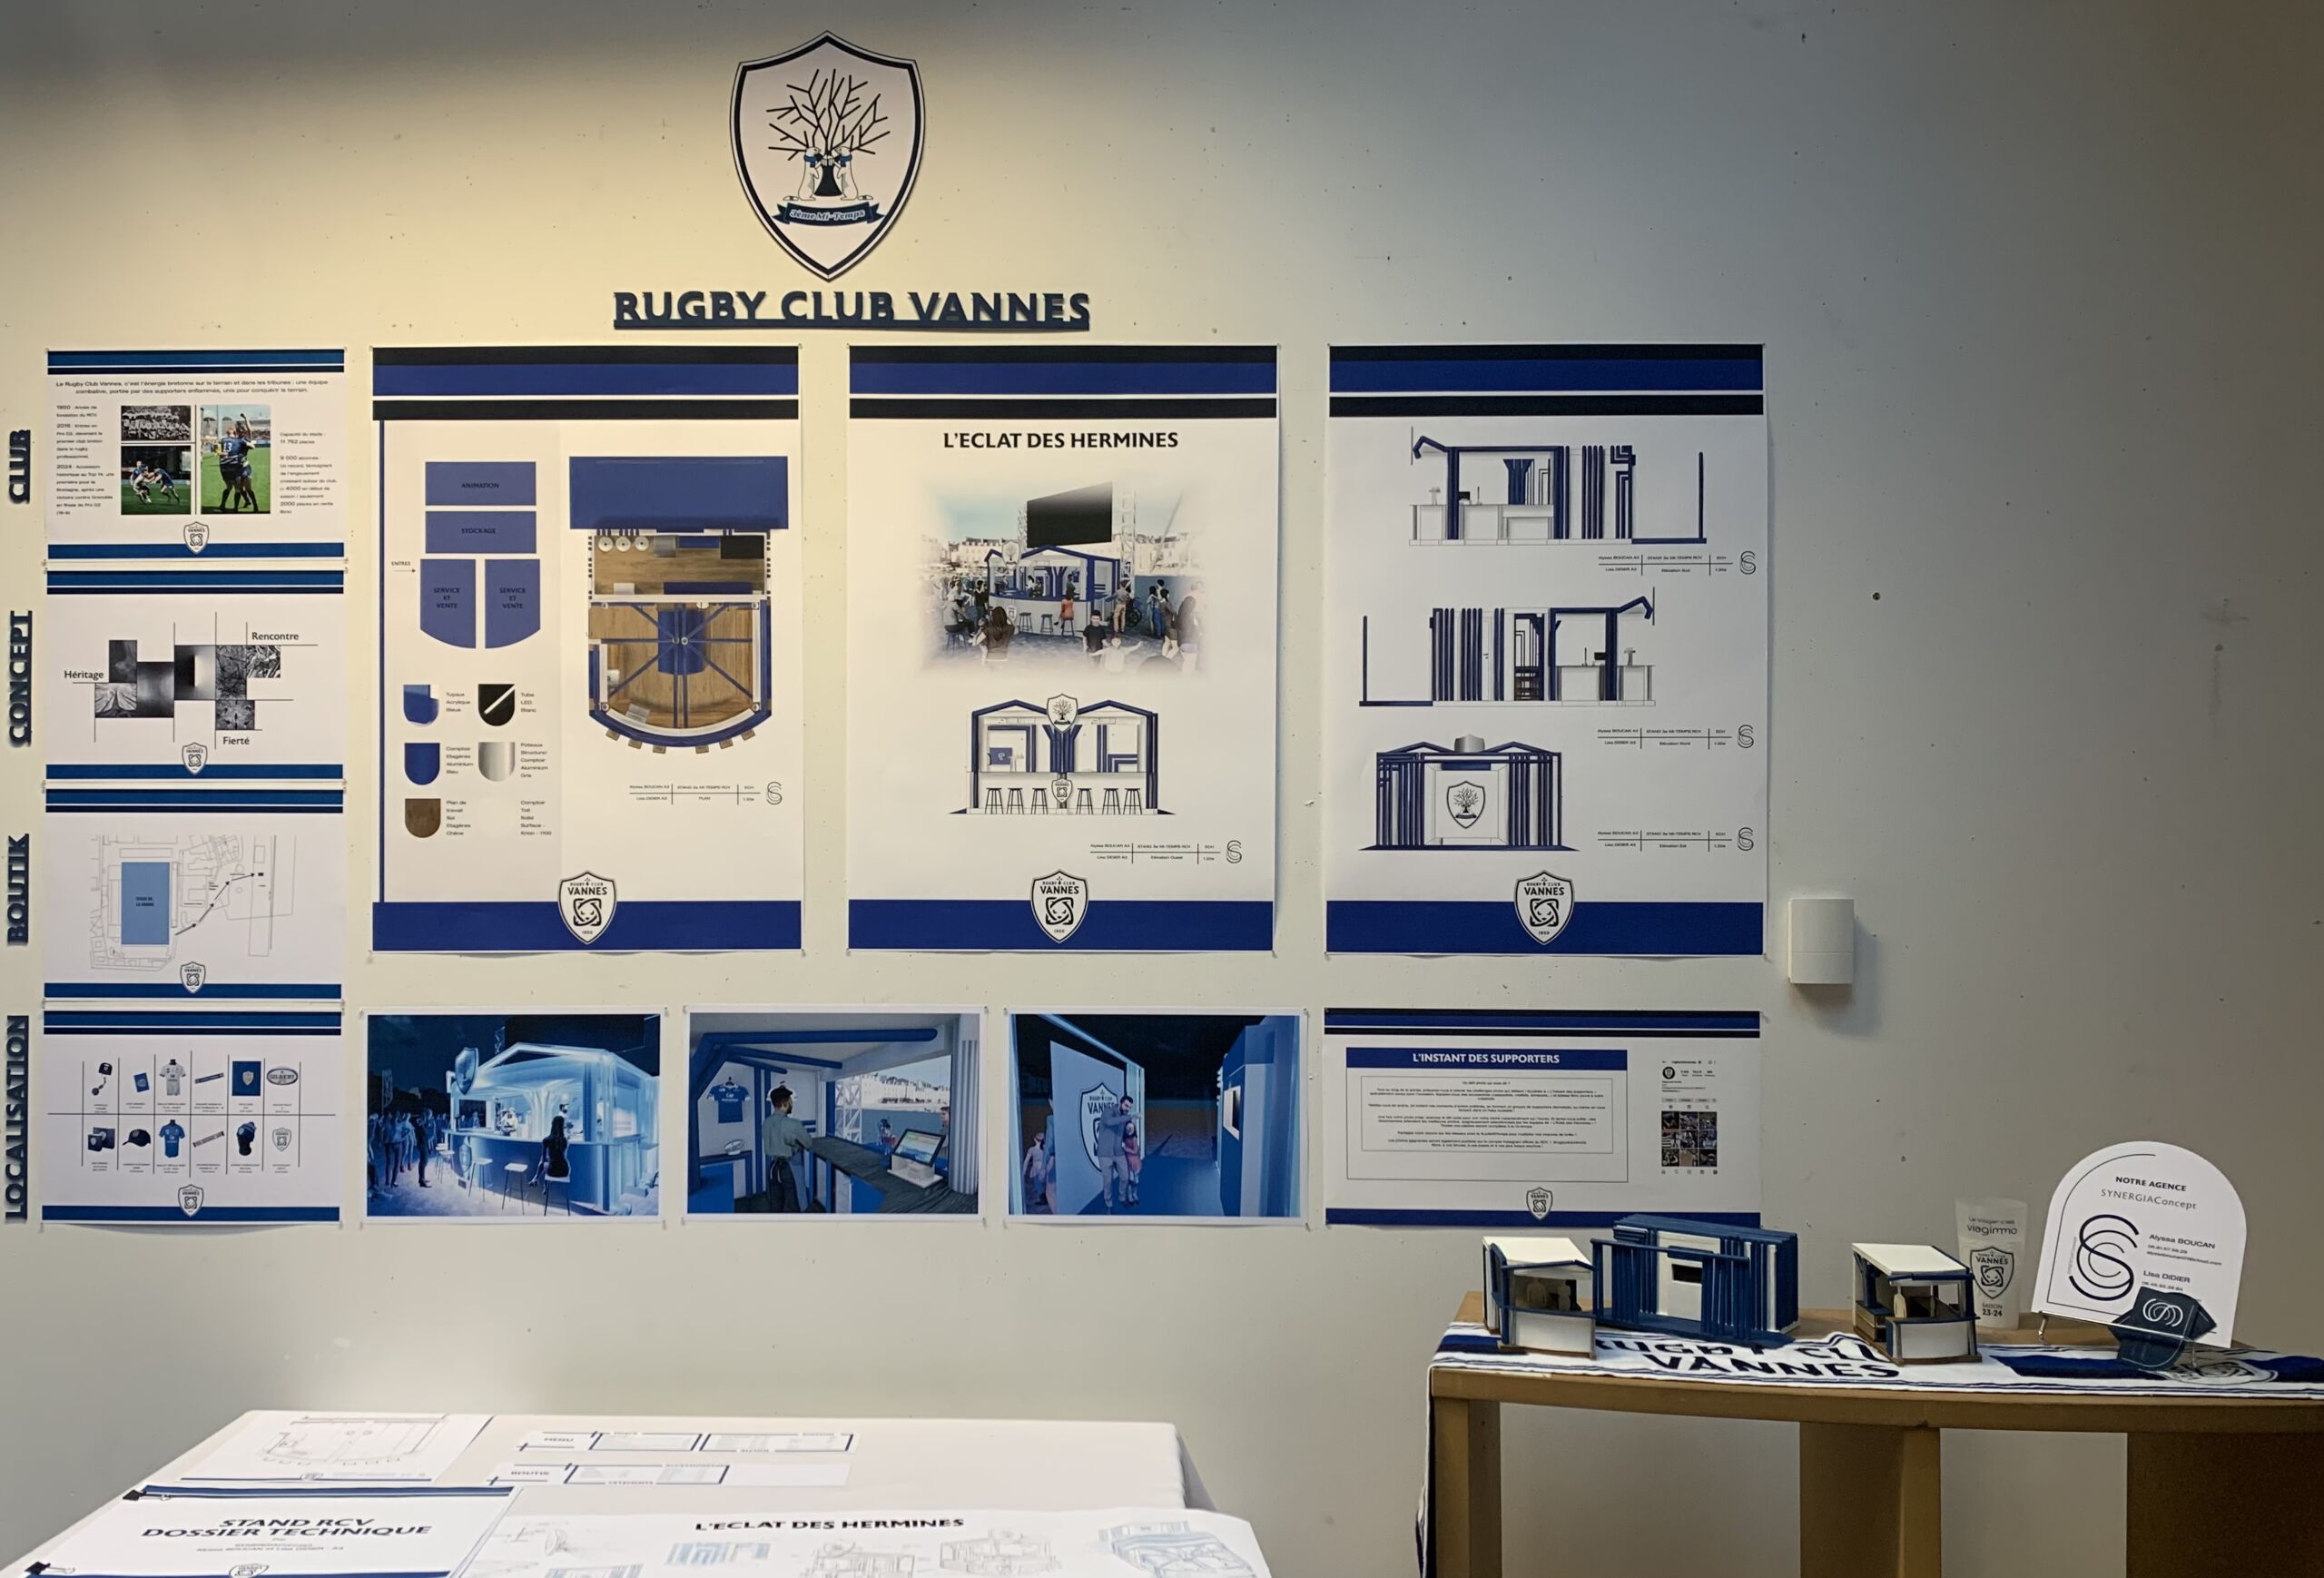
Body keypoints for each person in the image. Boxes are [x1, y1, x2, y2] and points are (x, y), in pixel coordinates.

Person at [763, 1084, 812, 1212]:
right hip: (790, 1169)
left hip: (773, 1168)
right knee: (793, 1205)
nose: (792, 1104)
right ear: (785, 1103)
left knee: (776, 1205)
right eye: (790, 1101)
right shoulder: (794, 1124)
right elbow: (808, 1143)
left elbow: (769, 1145)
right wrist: (796, 1145)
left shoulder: (767, 1122)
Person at [1092, 1093, 1133, 1211]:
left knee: (1125, 1177)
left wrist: (1129, 1131)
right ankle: (1109, 1204)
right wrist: (1129, 1117)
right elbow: (1110, 1122)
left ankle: (1122, 1197)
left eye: (1129, 1107)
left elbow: (1122, 1132)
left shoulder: (1125, 1117)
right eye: (1126, 1106)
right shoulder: (1108, 1111)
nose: (1127, 1109)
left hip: (1119, 1152)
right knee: (1108, 1181)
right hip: (1105, 1154)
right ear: (1120, 1103)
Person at [537, 1113, 570, 1200]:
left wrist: (549, 1159)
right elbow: (564, 1156)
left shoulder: (546, 1140)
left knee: (544, 1161)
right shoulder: (565, 1140)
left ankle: (542, 1183)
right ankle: (541, 1183)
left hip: (552, 1171)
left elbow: (543, 1160)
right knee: (550, 1162)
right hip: (565, 1171)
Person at [1021, 1129, 1050, 1214]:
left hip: (1037, 1167)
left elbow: (1026, 1161)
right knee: (1043, 1184)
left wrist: (1023, 1172)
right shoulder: (1045, 1149)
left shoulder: (1032, 1149)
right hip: (1043, 1167)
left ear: (1035, 1139)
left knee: (1038, 1184)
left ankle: (1043, 1199)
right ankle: (1045, 1199)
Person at [1121, 1112, 1142, 1209]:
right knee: (1130, 1181)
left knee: (1136, 1181)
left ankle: (1134, 1194)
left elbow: (1135, 1151)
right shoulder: (1124, 1138)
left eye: (1131, 1128)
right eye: (1128, 1128)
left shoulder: (1134, 1139)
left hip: (1135, 1162)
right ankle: (1130, 1196)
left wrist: (1126, 1149)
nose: (1129, 1130)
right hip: (1128, 1162)